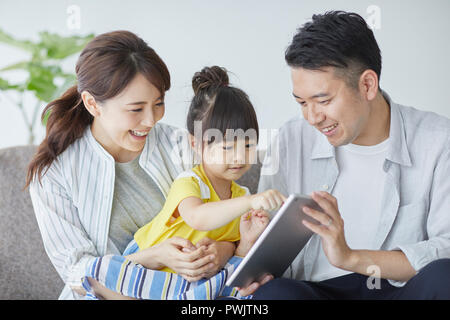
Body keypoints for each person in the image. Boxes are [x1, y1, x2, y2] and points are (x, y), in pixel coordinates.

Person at [240, 11, 450, 299]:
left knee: (444, 276)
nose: (312, 117)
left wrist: (349, 257)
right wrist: (250, 255)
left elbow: (447, 245)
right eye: (301, 102)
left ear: (367, 85)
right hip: (317, 290)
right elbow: (268, 240)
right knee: (274, 294)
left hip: (398, 288)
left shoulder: (438, 140)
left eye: (323, 100)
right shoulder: (291, 138)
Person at [26, 31, 242, 299]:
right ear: (92, 104)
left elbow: (232, 219)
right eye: (136, 109)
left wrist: (218, 253)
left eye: (159, 103)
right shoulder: (55, 172)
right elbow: (77, 273)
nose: (151, 120)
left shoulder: (181, 146)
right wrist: (152, 257)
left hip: (191, 289)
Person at [81, 66, 286, 299]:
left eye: (248, 145)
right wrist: (251, 201)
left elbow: (234, 253)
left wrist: (248, 240)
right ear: (196, 144)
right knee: (103, 269)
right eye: (227, 147)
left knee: (243, 289)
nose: (240, 157)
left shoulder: (241, 196)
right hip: (152, 267)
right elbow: (198, 218)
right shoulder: (191, 182)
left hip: (193, 279)